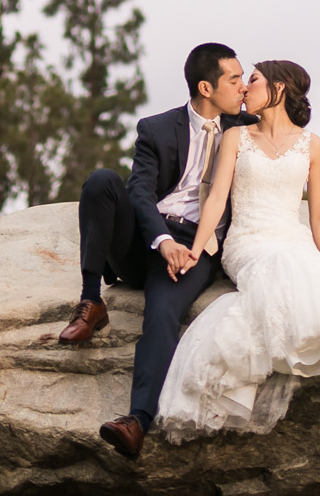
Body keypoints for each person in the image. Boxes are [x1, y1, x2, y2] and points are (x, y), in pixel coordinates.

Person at [153, 58, 320, 442]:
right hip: (248, 242)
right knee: (283, 266)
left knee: (311, 268)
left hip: (289, 234)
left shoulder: (313, 146)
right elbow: (214, 200)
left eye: (254, 81)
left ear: (278, 89)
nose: (245, 89)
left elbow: (317, 218)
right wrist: (195, 249)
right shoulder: (236, 137)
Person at [58, 42, 257, 460]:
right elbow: (140, 193)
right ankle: (91, 300)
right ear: (206, 87)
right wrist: (162, 241)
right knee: (100, 181)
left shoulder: (247, 128)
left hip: (195, 245)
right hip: (147, 240)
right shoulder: (157, 128)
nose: (242, 86)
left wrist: (186, 248)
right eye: (234, 79)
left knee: (163, 313)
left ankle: (136, 420)